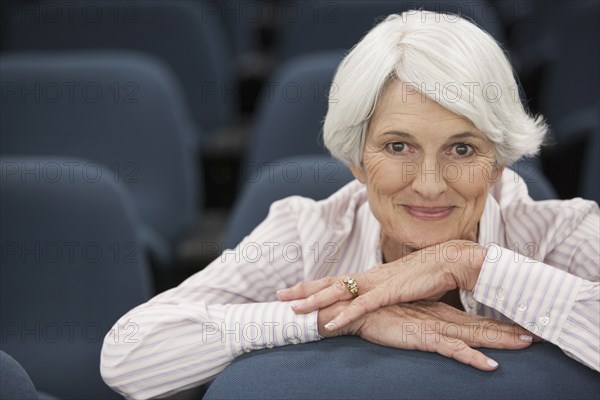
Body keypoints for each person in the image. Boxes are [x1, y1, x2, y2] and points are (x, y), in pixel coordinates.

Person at [100, 10, 599, 399]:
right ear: (357, 160)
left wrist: (472, 266)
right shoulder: (304, 233)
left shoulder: (561, 231)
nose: (428, 186)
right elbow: (128, 356)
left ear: (499, 163)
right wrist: (335, 317)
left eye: (461, 149)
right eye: (398, 146)